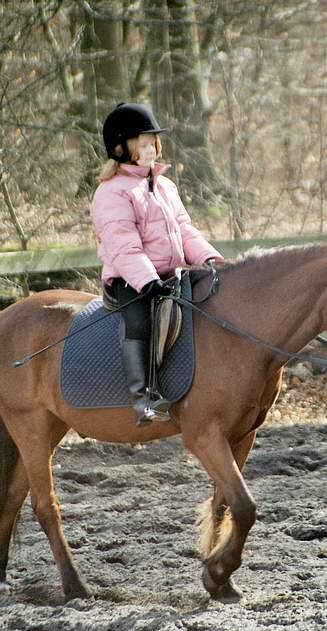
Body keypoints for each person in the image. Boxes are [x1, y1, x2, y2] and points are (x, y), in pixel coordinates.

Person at [91, 102, 223, 426]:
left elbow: (185, 229)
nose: (153, 149)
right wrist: (147, 281)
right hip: (131, 280)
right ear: (123, 148)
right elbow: (123, 245)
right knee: (140, 320)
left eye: (154, 143)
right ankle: (143, 397)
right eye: (145, 144)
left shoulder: (165, 186)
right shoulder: (112, 193)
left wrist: (208, 257)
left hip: (170, 275)